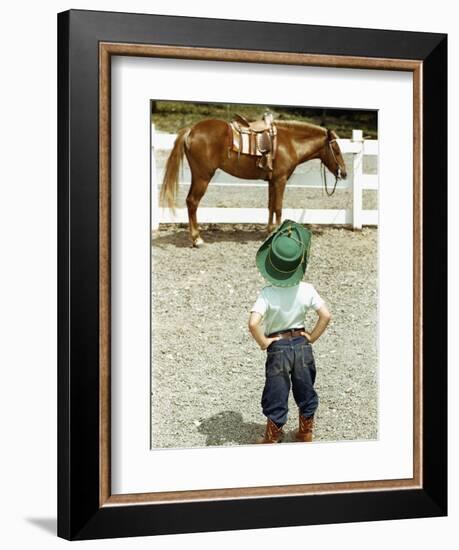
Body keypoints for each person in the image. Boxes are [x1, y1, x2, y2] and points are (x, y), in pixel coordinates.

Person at [248, 220, 331, 444]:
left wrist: (264, 342)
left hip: (278, 348)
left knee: (276, 389)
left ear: (271, 265)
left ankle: (273, 436)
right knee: (305, 387)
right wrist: (312, 337)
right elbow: (326, 315)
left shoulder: (267, 293)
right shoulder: (308, 289)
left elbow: (253, 323)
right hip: (302, 346)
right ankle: (305, 431)